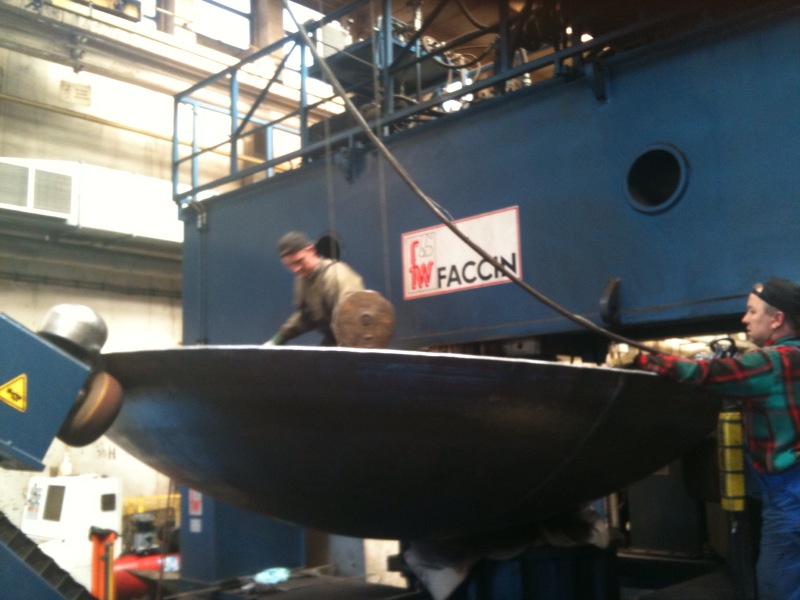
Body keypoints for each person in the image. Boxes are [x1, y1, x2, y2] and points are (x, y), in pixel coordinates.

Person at [633, 277, 800, 600]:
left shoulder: (772, 361)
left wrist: (647, 360)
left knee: (777, 586)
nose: (745, 319)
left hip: (791, 497)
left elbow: (708, 374)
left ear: (777, 319)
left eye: (752, 311)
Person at [266, 231, 364, 346]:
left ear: (311, 250)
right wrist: (278, 339)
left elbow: (352, 320)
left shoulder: (336, 276)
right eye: (290, 265)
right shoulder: (302, 279)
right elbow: (305, 316)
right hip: (335, 337)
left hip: (355, 338)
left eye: (299, 261)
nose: (296, 269)